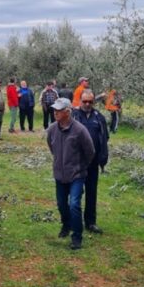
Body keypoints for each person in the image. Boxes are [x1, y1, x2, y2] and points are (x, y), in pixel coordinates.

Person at [46, 98, 96, 250]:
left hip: (76, 175)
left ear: (68, 112)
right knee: (62, 204)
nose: (55, 113)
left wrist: (80, 167)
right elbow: (52, 147)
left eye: (59, 110)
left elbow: (90, 152)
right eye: (54, 110)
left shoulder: (80, 130)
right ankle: (66, 225)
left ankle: (77, 237)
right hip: (59, 175)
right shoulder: (52, 129)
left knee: (74, 204)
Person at [72, 89, 109, 234]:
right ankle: (74, 222)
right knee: (75, 193)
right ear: (80, 100)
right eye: (85, 101)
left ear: (94, 102)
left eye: (90, 101)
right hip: (77, 161)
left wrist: (103, 157)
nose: (87, 104)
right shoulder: (73, 115)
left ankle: (90, 222)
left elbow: (104, 138)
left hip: (93, 162)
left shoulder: (99, 117)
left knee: (91, 192)